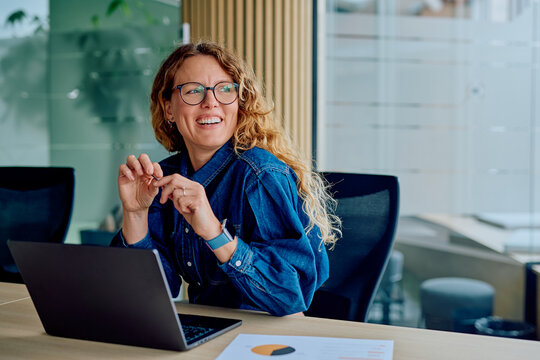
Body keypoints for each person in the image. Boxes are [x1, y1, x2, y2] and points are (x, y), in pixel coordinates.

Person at [112, 41, 340, 316]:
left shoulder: (260, 176)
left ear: (239, 103)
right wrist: (135, 214)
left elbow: (291, 295)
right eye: (193, 91)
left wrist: (215, 233)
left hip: (270, 334)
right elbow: (154, 291)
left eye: (225, 89)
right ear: (169, 108)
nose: (211, 102)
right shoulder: (165, 178)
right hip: (208, 327)